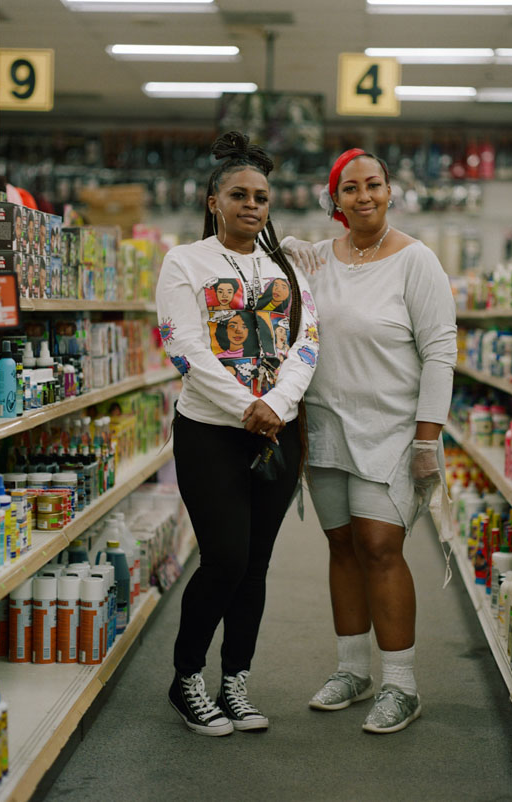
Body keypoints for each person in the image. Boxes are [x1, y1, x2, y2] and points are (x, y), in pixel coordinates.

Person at [282, 148, 456, 733]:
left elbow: (439, 352)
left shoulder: (416, 261)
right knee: (342, 547)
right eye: (350, 188)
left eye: (373, 185)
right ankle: (352, 670)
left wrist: (428, 436)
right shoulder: (316, 259)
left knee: (381, 547)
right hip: (325, 425)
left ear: (390, 190)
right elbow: (266, 286)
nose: (364, 196)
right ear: (335, 201)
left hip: (390, 430)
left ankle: (401, 684)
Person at [156, 131, 319, 736]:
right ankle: (187, 677)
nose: (253, 205)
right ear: (213, 201)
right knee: (223, 556)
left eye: (262, 197)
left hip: (278, 432)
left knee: (255, 564)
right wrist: (247, 404)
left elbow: (308, 340)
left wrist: (276, 404)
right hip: (210, 433)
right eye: (240, 195)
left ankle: (235, 681)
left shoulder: (285, 267)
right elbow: (182, 344)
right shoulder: (185, 262)